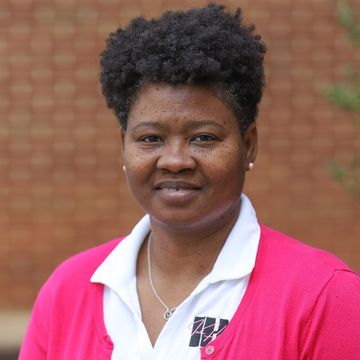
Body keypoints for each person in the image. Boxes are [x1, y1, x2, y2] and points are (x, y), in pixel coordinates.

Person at [19, 4, 360, 359]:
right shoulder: (68, 291)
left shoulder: (322, 296)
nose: (175, 161)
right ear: (124, 147)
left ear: (248, 145)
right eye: (151, 139)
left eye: (203, 138)